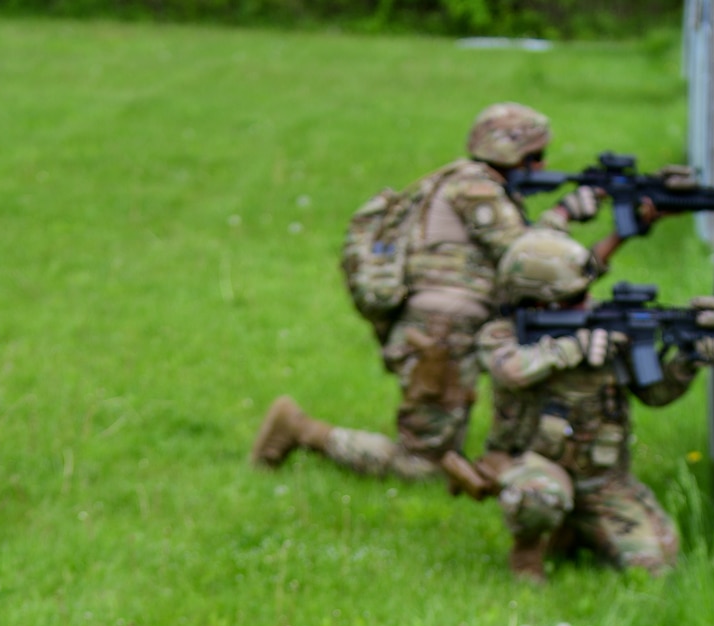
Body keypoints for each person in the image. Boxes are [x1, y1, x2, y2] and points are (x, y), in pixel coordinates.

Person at [249, 103, 613, 487]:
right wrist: (564, 213)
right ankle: (301, 430)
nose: (541, 166)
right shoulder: (476, 189)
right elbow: (524, 257)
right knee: (423, 467)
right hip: (441, 332)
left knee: (443, 448)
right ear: (509, 152)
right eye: (535, 156)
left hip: (443, 328)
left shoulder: (473, 183)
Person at [443, 226, 714, 580]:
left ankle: (574, 531)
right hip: (534, 466)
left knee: (656, 564)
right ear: (541, 301)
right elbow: (510, 370)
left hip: (603, 480)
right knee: (540, 497)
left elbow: (654, 394)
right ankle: (528, 555)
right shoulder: (502, 334)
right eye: (575, 298)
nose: (586, 303)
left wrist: (687, 361)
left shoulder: (606, 330)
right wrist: (574, 348)